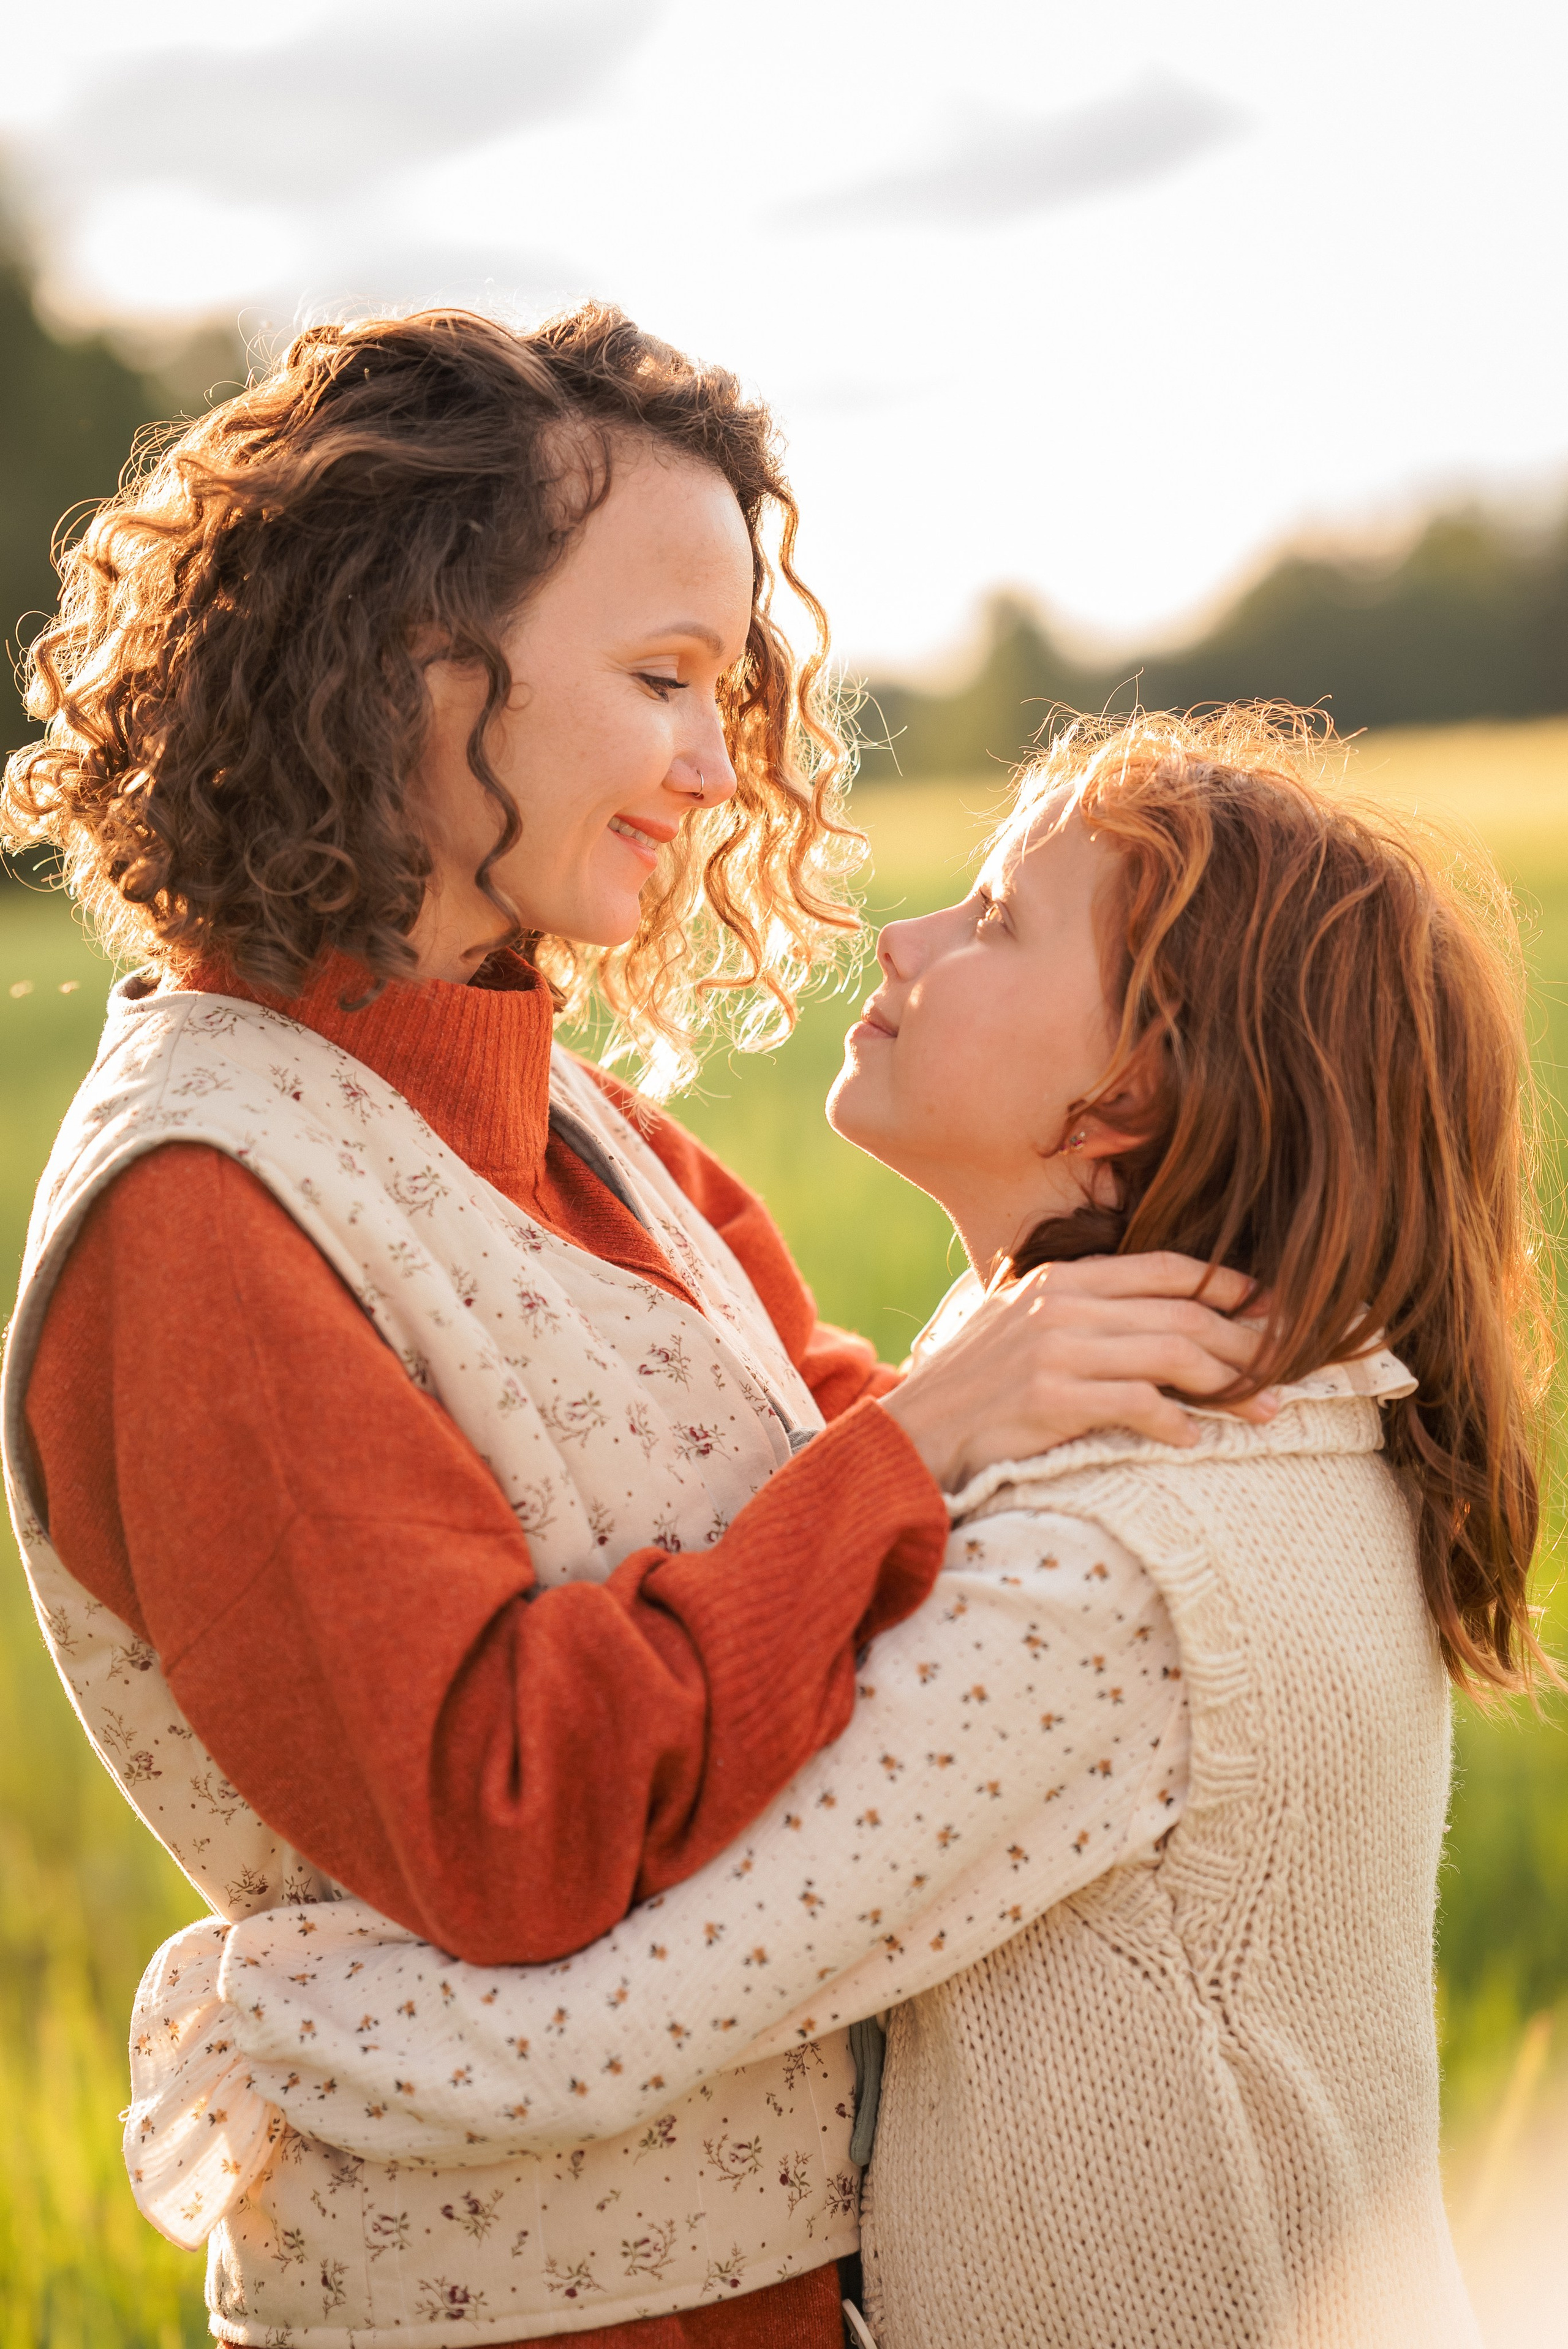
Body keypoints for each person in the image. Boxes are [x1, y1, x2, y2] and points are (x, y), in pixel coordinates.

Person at [0, 308, 1263, 2349]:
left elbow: (824, 1457)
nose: (715, 760)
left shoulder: (564, 1103)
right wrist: (921, 1441)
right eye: (665, 679)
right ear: (417, 656)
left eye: (729, 686)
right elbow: (503, 1809)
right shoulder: (200, 1206)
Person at [134, 709, 1547, 2348]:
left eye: (1001, 921)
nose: (908, 934)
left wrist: (256, 2025)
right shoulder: (1257, 1434)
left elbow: (639, 2014)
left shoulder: (1114, 1579)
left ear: (1134, 1090)